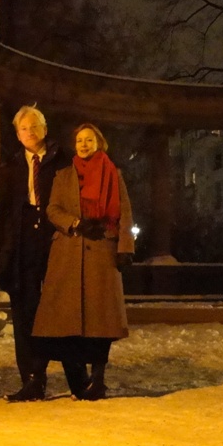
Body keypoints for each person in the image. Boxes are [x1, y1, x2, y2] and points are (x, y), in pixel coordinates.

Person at [31, 122, 134, 401]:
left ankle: (97, 381)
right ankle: (36, 380)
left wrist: (125, 247)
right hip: (67, 250)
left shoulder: (113, 173)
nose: (84, 145)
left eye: (89, 140)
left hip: (101, 250)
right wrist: (76, 223)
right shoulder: (64, 175)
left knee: (101, 322)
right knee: (53, 320)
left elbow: (124, 211)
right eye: (79, 141)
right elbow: (52, 208)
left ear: (99, 143)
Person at [0, 105, 86, 401]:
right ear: (17, 135)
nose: (30, 132)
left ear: (45, 129)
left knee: (63, 307)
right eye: (23, 128)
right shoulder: (10, 166)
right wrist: (3, 250)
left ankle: (78, 378)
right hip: (23, 244)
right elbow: (3, 211)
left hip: (57, 239)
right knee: (25, 312)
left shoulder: (63, 161)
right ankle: (33, 378)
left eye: (35, 126)